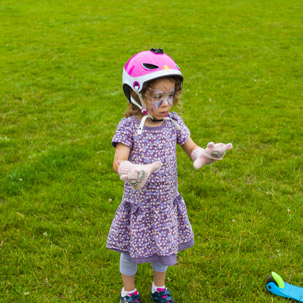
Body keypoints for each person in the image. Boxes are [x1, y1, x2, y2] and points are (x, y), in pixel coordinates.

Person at [107, 48, 231, 303]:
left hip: (165, 204)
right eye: (157, 97)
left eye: (171, 95)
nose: (166, 103)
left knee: (163, 249)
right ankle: (128, 291)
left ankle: (158, 288)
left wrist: (206, 155)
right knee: (130, 251)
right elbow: (118, 162)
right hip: (139, 205)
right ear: (136, 94)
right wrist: (131, 170)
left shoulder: (173, 123)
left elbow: (192, 150)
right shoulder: (129, 126)